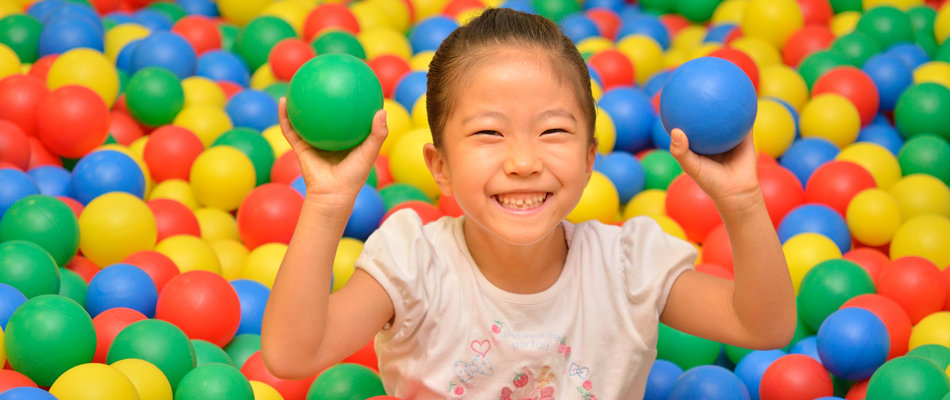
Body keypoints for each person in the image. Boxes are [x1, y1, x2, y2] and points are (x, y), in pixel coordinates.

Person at [262, 8, 795, 399]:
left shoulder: (627, 268)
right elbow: (292, 356)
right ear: (439, 165)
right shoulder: (413, 265)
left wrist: (743, 201)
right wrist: (329, 202)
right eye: (490, 132)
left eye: (553, 130)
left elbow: (761, 327)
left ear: (591, 158)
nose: (522, 161)